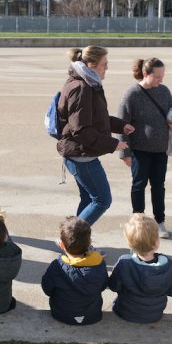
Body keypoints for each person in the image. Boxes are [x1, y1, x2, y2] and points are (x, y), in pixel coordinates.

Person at [56, 46, 133, 225]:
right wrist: (113, 144)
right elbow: (81, 130)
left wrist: (121, 126)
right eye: (104, 65)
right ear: (91, 65)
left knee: (88, 200)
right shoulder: (82, 87)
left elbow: (97, 119)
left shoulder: (86, 83)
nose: (107, 68)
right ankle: (71, 239)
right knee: (102, 200)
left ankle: (79, 244)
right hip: (81, 156)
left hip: (81, 153)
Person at [117, 57, 172, 239]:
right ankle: (139, 221)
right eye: (157, 76)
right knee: (139, 185)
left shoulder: (164, 91)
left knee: (159, 186)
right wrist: (124, 153)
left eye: (162, 75)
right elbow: (122, 124)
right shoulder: (132, 94)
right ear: (146, 73)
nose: (161, 79)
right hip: (139, 150)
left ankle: (160, 222)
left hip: (160, 149)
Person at [108, 213, 172, 323]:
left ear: (130, 244)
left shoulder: (124, 263)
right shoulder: (166, 265)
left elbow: (114, 286)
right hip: (154, 315)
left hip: (125, 312)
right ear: (156, 243)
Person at [41, 217, 108, 325]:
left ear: (62, 245)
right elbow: (103, 286)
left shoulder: (57, 266)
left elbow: (47, 289)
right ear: (90, 241)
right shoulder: (99, 264)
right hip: (92, 315)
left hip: (61, 314)